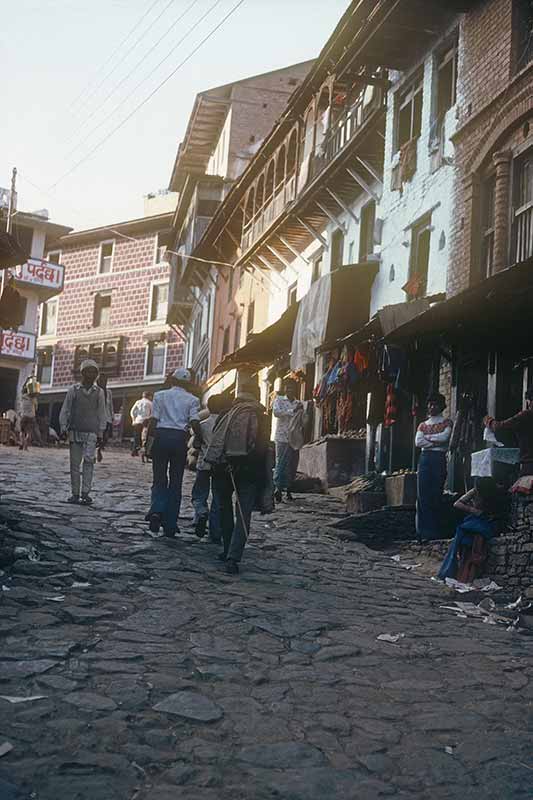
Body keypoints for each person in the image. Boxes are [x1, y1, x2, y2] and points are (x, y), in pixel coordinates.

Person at [207, 379, 270, 575]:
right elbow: (261, 448)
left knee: (224, 509)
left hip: (223, 470)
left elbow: (215, 441)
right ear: (257, 395)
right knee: (244, 514)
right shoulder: (261, 415)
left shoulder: (226, 414)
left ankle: (226, 549)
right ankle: (234, 557)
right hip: (248, 471)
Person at [147, 368, 200, 537]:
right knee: (176, 481)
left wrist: (148, 443)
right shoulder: (193, 400)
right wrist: (202, 439)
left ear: (173, 381)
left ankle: (156, 510)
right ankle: (170, 522)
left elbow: (153, 421)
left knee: (159, 478)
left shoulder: (159, 396)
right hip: (179, 440)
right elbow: (194, 422)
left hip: (161, 437)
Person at [59, 359, 107, 505]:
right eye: (89, 371)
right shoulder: (73, 390)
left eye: (94, 372)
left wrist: (101, 433)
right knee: (74, 463)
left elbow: (101, 413)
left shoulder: (99, 392)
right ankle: (75, 493)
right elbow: (66, 409)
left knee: (88, 462)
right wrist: (63, 426)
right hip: (75, 430)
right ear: (83, 373)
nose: (92, 374)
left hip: (92, 432)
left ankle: (85, 493)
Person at [438, 477, 499, 581]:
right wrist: (473, 510)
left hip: (487, 522)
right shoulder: (475, 491)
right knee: (461, 535)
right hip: (474, 519)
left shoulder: (494, 490)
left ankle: (468, 571)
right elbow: (457, 503)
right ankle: (451, 571)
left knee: (475, 538)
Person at [415, 392, 453, 541]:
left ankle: (434, 531)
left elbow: (445, 437)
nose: (431, 407)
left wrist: (428, 439)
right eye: (429, 404)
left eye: (435, 404)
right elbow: (418, 442)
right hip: (424, 459)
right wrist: (435, 441)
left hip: (438, 459)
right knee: (423, 494)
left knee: (435, 493)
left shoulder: (446, 422)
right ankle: (423, 532)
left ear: (441, 406)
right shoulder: (423, 424)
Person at [191, 394, 228, 541]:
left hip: (203, 464)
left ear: (208, 407)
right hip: (220, 465)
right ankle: (215, 533)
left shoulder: (203, 425)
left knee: (199, 494)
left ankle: (201, 512)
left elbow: (195, 445)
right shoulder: (226, 425)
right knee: (218, 498)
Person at [484, 388, 533, 476]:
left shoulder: (526, 415)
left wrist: (488, 421)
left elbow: (500, 427)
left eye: (528, 401)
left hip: (529, 467)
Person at [272, 379, 302, 502]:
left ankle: (289, 491)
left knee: (293, 464)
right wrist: (292, 411)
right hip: (282, 437)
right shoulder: (279, 400)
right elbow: (276, 413)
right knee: (281, 464)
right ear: (284, 388)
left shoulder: (298, 403)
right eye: (287, 387)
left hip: (294, 439)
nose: (289, 389)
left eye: (292, 387)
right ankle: (278, 489)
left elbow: (303, 420)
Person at [130, 391, 153, 456]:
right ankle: (145, 451)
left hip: (137, 421)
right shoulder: (150, 403)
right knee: (145, 437)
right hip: (146, 421)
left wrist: (133, 419)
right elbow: (152, 413)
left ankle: (134, 450)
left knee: (136, 436)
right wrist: (149, 419)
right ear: (149, 396)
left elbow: (132, 411)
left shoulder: (138, 402)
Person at [18, 380, 38, 451]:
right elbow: (36, 407)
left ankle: (21, 443)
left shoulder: (22, 398)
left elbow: (22, 387)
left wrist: (27, 380)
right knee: (29, 432)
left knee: (22, 431)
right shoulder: (33, 398)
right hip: (31, 417)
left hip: (23, 416)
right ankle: (25, 447)